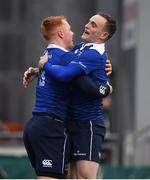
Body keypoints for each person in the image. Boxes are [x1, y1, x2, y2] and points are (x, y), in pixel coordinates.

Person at [23, 15, 112, 179]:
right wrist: (106, 89)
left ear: (103, 35)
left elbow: (75, 75)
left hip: (86, 123)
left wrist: (105, 87)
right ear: (61, 34)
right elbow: (71, 76)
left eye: (93, 24)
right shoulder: (73, 53)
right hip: (54, 124)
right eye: (69, 29)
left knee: (79, 176)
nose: (85, 25)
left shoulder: (53, 54)